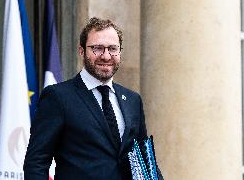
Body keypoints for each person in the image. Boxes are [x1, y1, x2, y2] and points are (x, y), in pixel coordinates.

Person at [24, 17, 163, 180]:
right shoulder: (58, 97)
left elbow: (144, 162)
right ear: (81, 51)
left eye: (112, 49)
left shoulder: (132, 100)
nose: (106, 56)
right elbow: (36, 162)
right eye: (97, 48)